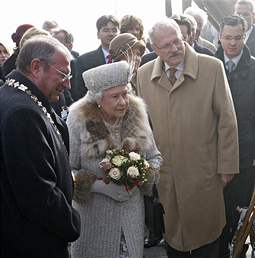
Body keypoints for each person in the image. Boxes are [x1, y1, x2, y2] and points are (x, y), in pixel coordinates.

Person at [136, 18, 239, 257]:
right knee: (174, 239)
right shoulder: (143, 75)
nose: (174, 49)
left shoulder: (211, 67)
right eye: (166, 45)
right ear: (154, 49)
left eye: (177, 42)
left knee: (207, 236)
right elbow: (145, 126)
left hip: (204, 170)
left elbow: (227, 120)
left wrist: (227, 167)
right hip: (167, 173)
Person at [67, 61, 162, 258]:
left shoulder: (137, 115)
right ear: (98, 99)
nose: (123, 101)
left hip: (131, 213)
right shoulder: (78, 120)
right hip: (94, 217)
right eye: (115, 96)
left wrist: (143, 173)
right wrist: (97, 186)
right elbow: (67, 170)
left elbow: (155, 156)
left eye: (125, 93)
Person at [0, 36, 80, 257]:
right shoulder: (22, 112)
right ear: (36, 67)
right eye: (63, 74)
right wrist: (71, 222)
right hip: (34, 242)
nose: (68, 84)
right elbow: (37, 193)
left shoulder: (21, 98)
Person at [214, 15, 255, 257]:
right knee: (213, 210)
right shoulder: (208, 65)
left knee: (239, 211)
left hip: (244, 151)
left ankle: (235, 249)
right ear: (220, 37)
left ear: (245, 35)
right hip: (212, 150)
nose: (232, 43)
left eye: (237, 37)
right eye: (227, 38)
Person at [71, 15, 120, 101]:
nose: (111, 34)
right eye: (106, 30)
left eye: (114, 30)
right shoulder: (83, 61)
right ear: (98, 34)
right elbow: (79, 93)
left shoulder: (127, 58)